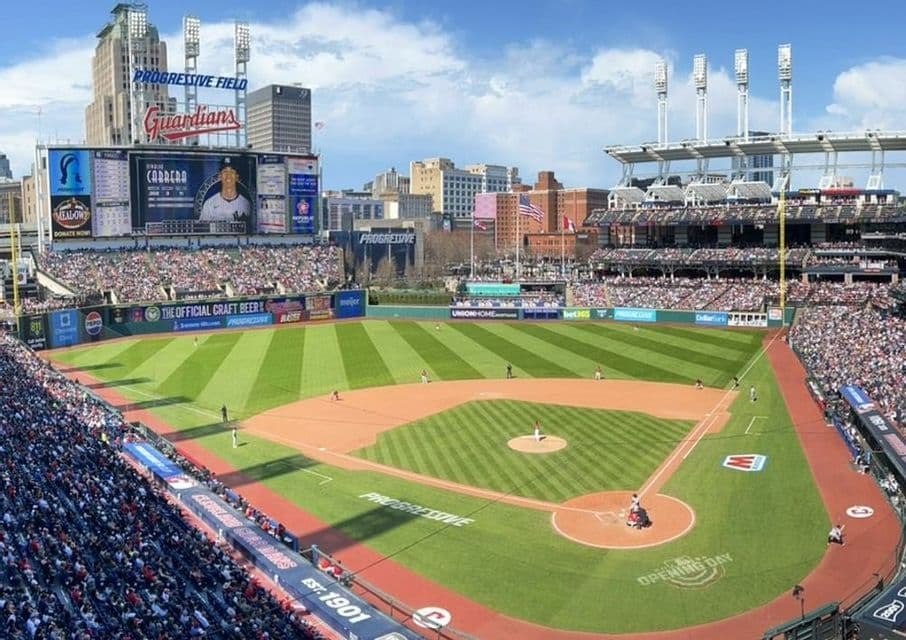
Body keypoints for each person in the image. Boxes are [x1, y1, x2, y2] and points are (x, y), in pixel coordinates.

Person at [199, 157, 252, 223]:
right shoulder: (209, 203)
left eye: (232, 172)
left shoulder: (246, 203)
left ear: (237, 177)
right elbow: (204, 229)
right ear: (220, 176)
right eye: (225, 172)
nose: (228, 176)